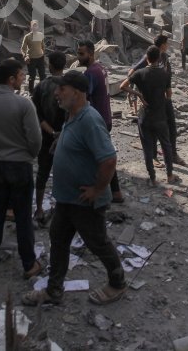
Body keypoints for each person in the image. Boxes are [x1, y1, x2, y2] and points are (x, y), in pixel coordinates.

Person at [22, 70, 126, 307]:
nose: (56, 93)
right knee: (58, 239)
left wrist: (97, 190)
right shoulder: (72, 115)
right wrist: (62, 141)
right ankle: (53, 290)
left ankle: (118, 283)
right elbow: (75, 139)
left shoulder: (90, 119)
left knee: (98, 243)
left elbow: (109, 160)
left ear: (77, 93)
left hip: (84, 201)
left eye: (62, 89)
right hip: (67, 199)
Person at [0, 59, 43, 281]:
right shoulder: (24, 105)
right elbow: (35, 139)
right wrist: (28, 155)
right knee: (22, 218)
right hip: (20, 166)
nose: (23, 79)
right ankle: (29, 265)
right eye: (21, 76)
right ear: (11, 79)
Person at [122, 46, 177, 185]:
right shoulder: (165, 74)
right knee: (166, 145)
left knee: (147, 147)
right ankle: (170, 175)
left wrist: (139, 94)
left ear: (147, 58)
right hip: (160, 116)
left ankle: (152, 178)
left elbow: (122, 86)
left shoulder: (140, 73)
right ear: (159, 58)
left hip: (145, 116)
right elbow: (169, 95)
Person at [79, 40, 124, 203]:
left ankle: (101, 191)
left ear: (91, 54)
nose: (79, 57)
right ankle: (115, 192)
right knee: (103, 154)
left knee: (101, 156)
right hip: (105, 117)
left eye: (82, 54)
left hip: (98, 120)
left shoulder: (90, 73)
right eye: (78, 53)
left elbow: (84, 98)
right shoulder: (100, 68)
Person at [31, 51, 67, 225]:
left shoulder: (41, 86)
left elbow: (36, 114)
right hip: (67, 137)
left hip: (46, 137)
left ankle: (38, 209)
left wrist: (52, 132)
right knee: (65, 173)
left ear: (49, 65)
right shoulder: (70, 86)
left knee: (43, 173)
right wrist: (61, 133)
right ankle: (63, 208)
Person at [21, 20, 46, 94]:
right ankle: (31, 91)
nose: (35, 27)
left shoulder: (41, 35)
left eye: (36, 25)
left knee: (42, 75)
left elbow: (43, 46)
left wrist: (43, 54)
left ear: (38, 27)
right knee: (32, 76)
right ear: (31, 27)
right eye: (33, 25)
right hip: (31, 59)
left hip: (40, 58)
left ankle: (43, 90)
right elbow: (23, 48)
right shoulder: (27, 37)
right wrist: (25, 56)